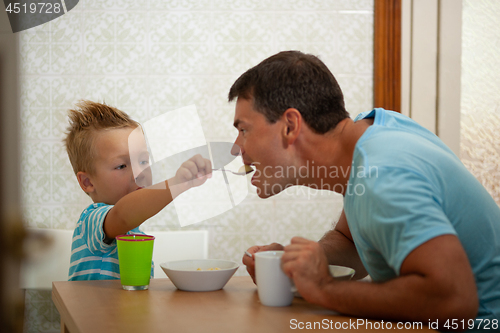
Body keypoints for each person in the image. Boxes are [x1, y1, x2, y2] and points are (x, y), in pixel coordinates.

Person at [231, 51, 500, 328]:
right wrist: (299, 265)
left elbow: (455, 303)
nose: (236, 148)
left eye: (244, 130)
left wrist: (323, 288)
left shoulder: (383, 173)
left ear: (290, 125)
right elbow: (352, 244)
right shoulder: (372, 137)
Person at [64, 100, 211, 281]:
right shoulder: (90, 222)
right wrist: (176, 184)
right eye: (121, 165)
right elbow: (122, 215)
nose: (139, 173)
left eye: (143, 161)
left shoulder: (137, 235)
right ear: (87, 182)